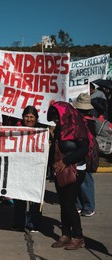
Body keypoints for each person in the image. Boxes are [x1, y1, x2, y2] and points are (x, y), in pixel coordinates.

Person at [47, 101, 89, 250]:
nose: (56, 122)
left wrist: (65, 161)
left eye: (57, 118)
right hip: (60, 170)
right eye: (54, 119)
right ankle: (65, 235)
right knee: (63, 203)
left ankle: (78, 237)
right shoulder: (60, 127)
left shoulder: (77, 127)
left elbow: (84, 149)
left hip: (76, 169)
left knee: (69, 203)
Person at [12, 106, 44, 232]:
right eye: (27, 116)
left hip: (36, 170)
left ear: (36, 118)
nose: (29, 119)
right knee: (19, 198)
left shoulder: (42, 131)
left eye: (31, 117)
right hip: (20, 169)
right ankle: (19, 223)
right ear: (23, 117)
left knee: (34, 199)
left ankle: (33, 224)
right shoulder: (17, 130)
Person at [72, 93, 97, 217]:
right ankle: (84, 206)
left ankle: (86, 206)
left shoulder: (86, 122)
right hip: (86, 154)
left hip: (83, 154)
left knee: (83, 180)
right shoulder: (91, 121)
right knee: (81, 179)